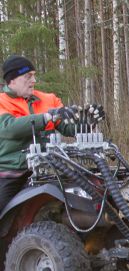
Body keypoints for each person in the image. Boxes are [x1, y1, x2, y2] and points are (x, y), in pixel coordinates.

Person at [0, 54, 103, 214]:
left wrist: (87, 122)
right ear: (12, 80)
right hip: (12, 173)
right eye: (28, 76)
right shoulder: (2, 101)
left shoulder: (48, 99)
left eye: (34, 76)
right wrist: (46, 117)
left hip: (49, 169)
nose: (33, 81)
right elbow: (8, 128)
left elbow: (68, 129)